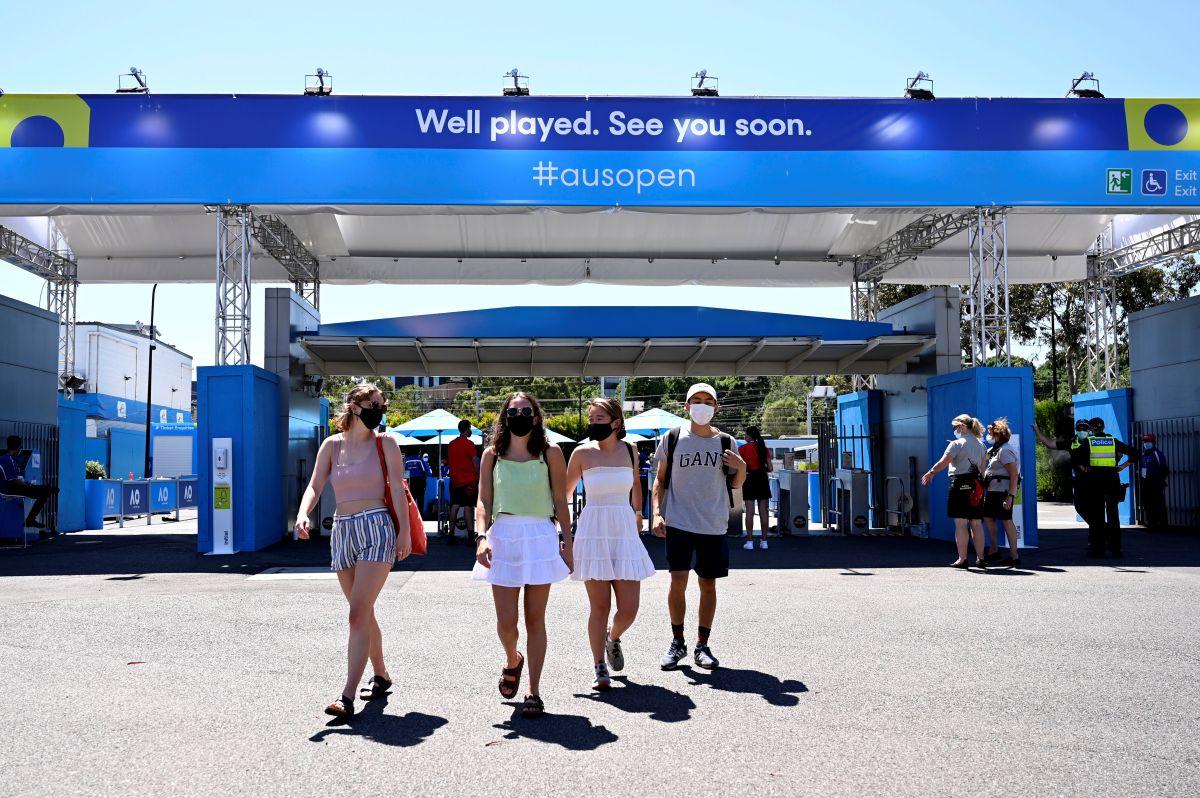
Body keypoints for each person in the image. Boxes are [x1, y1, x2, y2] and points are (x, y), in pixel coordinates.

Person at [294, 382, 412, 719]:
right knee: (364, 611)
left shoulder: (385, 443)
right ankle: (382, 675)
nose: (379, 409)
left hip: (377, 527)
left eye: (381, 404)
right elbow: (315, 484)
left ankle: (346, 696)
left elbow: (396, 487)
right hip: (343, 529)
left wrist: (403, 531)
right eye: (374, 403)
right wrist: (303, 514)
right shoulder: (332, 446)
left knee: (357, 613)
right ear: (355, 407)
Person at [473, 392, 573, 718]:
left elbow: (561, 501)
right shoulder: (492, 454)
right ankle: (512, 658)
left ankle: (533, 690)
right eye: (513, 411)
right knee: (506, 623)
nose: (519, 415)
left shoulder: (551, 452)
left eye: (526, 410)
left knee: (535, 620)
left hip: (540, 537)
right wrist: (481, 537)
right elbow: (483, 501)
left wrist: (567, 543)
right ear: (504, 417)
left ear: (535, 416)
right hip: (503, 536)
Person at [652, 383, 747, 671]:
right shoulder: (672, 438)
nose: (702, 405)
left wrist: (741, 468)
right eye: (696, 400)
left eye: (708, 401)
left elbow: (735, 484)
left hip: (713, 523)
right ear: (686, 406)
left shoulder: (727, 442)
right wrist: (656, 513)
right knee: (677, 581)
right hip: (679, 521)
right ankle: (677, 642)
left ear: (716, 407)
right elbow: (660, 480)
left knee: (708, 583)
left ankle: (702, 645)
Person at [565, 398, 656, 691]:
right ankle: (598, 666)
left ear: (616, 422)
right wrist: (559, 532)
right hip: (593, 529)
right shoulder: (581, 453)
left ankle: (612, 638)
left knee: (629, 609)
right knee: (599, 607)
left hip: (624, 529)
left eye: (599, 418)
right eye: (591, 417)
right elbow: (563, 495)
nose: (592, 423)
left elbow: (637, 488)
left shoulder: (631, 450)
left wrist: (639, 512)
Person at [1031, 416, 1135, 558]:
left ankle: (1098, 550)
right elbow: (1134, 453)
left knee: (1097, 516)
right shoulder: (1112, 441)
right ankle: (1116, 550)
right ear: (1103, 427)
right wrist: (1122, 466)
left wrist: (1082, 466)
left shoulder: (1089, 442)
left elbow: (1075, 456)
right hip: (1111, 483)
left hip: (1096, 484)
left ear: (1091, 429)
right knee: (1113, 517)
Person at [921, 414, 988, 569]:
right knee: (976, 523)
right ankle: (981, 558)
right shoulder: (981, 445)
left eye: (955, 427)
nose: (954, 430)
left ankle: (962, 559)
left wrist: (931, 472)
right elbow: (983, 469)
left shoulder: (956, 444)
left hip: (959, 484)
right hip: (977, 485)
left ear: (962, 427)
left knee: (961, 523)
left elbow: (943, 462)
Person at [981, 418, 1022, 568]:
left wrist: (1010, 496)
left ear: (998, 433)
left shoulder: (1005, 450)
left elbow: (1014, 474)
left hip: (1002, 492)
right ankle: (993, 549)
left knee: (1006, 520)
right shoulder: (995, 449)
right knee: (988, 518)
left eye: (991, 431)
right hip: (992, 491)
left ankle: (1014, 555)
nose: (989, 434)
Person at [0, 435, 58, 537]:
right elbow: (12, 480)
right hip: (9, 489)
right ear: (18, 448)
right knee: (42, 491)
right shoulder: (6, 460)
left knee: (43, 493)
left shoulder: (10, 459)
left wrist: (27, 485)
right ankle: (31, 519)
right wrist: (27, 485)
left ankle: (31, 518)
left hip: (14, 487)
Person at [738, 426, 773, 550]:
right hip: (762, 479)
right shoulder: (764, 448)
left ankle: (750, 542)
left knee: (750, 512)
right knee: (764, 511)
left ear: (748, 435)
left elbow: (739, 466)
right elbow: (770, 468)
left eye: (745, 434)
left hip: (749, 479)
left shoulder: (742, 449)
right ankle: (764, 542)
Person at [447, 420, 479, 545]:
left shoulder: (451, 444)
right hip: (468, 481)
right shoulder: (469, 444)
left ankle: (451, 534)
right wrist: (478, 475)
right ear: (467, 429)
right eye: (470, 428)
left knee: (454, 506)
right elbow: (475, 461)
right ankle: (471, 537)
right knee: (468, 507)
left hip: (455, 480)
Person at [1138, 434, 1170, 531]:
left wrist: (1160, 480)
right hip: (1146, 483)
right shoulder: (1144, 455)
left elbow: (1164, 469)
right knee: (1147, 504)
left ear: (1153, 443)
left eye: (1148, 442)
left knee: (1158, 504)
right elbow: (1143, 469)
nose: (1146, 444)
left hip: (1156, 482)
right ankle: (1151, 524)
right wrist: (1143, 480)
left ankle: (1162, 525)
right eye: (1144, 442)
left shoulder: (1157, 454)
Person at [404, 449, 430, 518]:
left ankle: (412, 515)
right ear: (418, 452)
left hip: (410, 481)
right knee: (420, 498)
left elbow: (405, 473)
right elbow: (425, 471)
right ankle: (420, 515)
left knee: (412, 498)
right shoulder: (419, 460)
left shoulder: (407, 460)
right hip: (419, 481)